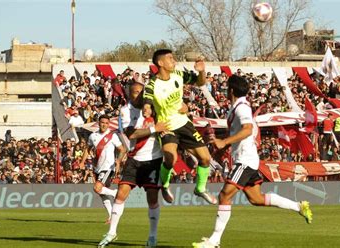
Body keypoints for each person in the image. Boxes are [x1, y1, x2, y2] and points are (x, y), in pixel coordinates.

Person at [192, 75, 313, 248]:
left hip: (245, 160)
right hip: (246, 159)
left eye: (227, 88)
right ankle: (299, 206)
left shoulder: (242, 108)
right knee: (256, 199)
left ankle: (214, 241)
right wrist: (222, 145)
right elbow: (241, 132)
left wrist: (224, 142)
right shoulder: (236, 108)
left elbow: (248, 130)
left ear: (231, 90)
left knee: (224, 195)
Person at [98, 82, 169, 248]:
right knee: (121, 193)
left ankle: (152, 236)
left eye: (140, 91)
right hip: (134, 158)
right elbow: (131, 134)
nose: (138, 94)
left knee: (152, 198)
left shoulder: (155, 107)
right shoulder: (125, 110)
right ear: (129, 94)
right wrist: (154, 129)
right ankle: (112, 232)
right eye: (134, 92)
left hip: (154, 159)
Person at [144, 49, 216, 204]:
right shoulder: (152, 84)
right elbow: (147, 101)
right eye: (170, 58)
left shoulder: (178, 75)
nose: (174, 61)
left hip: (184, 123)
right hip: (166, 126)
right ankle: (164, 184)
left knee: (205, 158)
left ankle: (200, 188)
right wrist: (147, 109)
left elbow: (200, 82)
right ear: (160, 63)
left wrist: (202, 71)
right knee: (171, 158)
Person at [80, 115, 126, 223]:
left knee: (97, 188)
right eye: (102, 122)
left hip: (108, 167)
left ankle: (115, 193)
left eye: (106, 123)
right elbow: (87, 149)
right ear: (99, 123)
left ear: (108, 124)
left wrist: (118, 161)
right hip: (98, 168)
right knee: (101, 192)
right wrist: (82, 161)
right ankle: (111, 216)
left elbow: (122, 149)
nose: (104, 124)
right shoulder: (93, 136)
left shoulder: (112, 136)